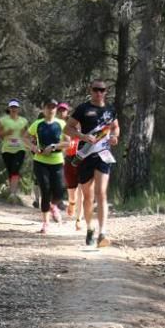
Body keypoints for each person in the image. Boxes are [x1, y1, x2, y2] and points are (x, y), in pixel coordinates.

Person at [65, 79, 120, 247]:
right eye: (96, 89)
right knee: (88, 196)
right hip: (85, 155)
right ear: (91, 90)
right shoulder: (83, 108)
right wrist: (82, 136)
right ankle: (90, 228)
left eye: (102, 90)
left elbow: (116, 127)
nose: (99, 92)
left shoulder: (110, 109)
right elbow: (67, 128)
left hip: (103, 155)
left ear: (106, 92)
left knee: (101, 193)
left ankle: (103, 233)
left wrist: (114, 137)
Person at [27, 99, 68, 234]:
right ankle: (46, 223)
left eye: (53, 107)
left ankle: (53, 206)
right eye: (48, 107)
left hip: (57, 161)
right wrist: (34, 147)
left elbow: (68, 143)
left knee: (60, 190)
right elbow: (24, 138)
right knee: (45, 189)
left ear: (56, 110)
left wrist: (54, 146)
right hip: (40, 161)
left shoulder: (61, 124)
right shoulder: (37, 124)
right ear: (43, 109)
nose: (51, 110)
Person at [0, 99, 29, 198]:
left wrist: (29, 142)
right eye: (12, 107)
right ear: (9, 108)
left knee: (15, 169)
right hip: (7, 149)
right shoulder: (3, 120)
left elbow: (27, 134)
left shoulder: (23, 121)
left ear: (18, 109)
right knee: (10, 171)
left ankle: (13, 193)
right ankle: (11, 191)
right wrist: (6, 133)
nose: (13, 109)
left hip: (20, 149)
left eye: (15, 107)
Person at [56, 102, 81, 222]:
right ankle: (70, 203)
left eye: (64, 110)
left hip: (81, 158)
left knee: (82, 186)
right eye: (60, 110)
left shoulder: (78, 125)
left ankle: (79, 218)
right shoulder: (57, 125)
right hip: (66, 157)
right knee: (70, 187)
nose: (62, 112)